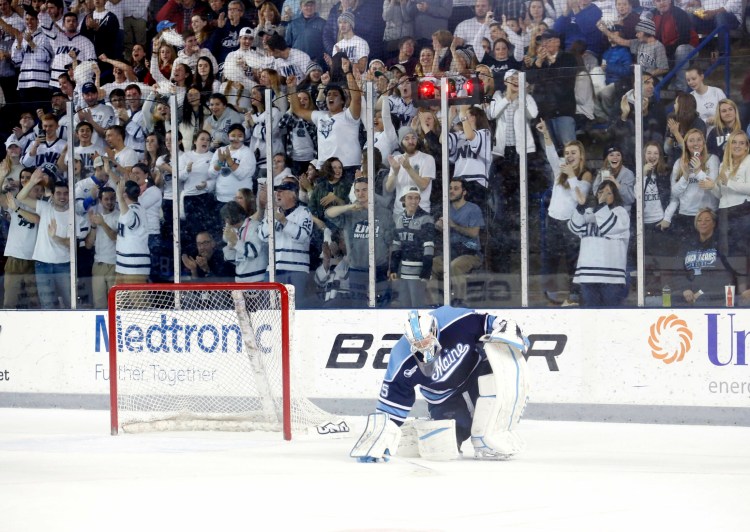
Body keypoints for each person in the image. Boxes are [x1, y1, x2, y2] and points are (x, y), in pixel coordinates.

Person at [350, 307, 529, 461]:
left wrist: (508, 328)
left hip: (475, 374)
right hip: (443, 397)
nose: (423, 346)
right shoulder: (401, 358)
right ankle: (424, 428)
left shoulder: (456, 321)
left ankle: (488, 440)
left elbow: (489, 322)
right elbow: (392, 402)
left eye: (426, 340)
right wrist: (379, 437)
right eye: (417, 343)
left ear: (435, 330)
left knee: (493, 398)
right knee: (451, 438)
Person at [538, 118, 593, 306]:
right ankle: (550, 293)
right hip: (553, 219)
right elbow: (551, 153)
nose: (569, 155)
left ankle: (575, 295)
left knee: (573, 260)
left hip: (571, 223)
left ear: (580, 155)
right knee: (551, 257)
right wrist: (546, 132)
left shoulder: (585, 173)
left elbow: (581, 199)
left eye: (573, 153)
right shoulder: (560, 169)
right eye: (567, 152)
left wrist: (571, 176)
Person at [325, 176, 394, 307]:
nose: (360, 193)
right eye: (357, 191)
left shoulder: (384, 213)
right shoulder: (350, 212)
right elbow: (328, 213)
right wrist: (348, 207)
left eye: (364, 190)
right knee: (358, 305)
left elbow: (390, 243)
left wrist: (390, 267)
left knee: (382, 304)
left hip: (379, 266)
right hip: (357, 267)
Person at [15, 167, 72, 309]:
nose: (62, 196)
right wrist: (33, 181)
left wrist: (56, 237)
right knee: (47, 306)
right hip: (42, 265)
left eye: (66, 193)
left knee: (71, 305)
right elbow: (20, 197)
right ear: (52, 195)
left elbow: (72, 244)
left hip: (64, 265)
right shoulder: (45, 207)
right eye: (58, 193)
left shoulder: (74, 216)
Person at [569, 180, 630, 307]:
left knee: (612, 316)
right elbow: (574, 228)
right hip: (587, 275)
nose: (603, 196)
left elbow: (611, 228)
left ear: (615, 195)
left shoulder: (621, 212)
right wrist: (581, 206)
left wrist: (601, 206)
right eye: (600, 192)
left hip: (612, 276)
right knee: (590, 317)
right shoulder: (589, 211)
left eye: (608, 193)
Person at [431, 178, 485, 307]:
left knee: (454, 266)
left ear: (464, 192)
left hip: (471, 253)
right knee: (432, 264)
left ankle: (460, 301)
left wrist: (454, 225)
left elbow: (474, 233)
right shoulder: (446, 208)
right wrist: (438, 226)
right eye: (450, 188)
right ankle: (435, 302)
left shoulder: (473, 209)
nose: (452, 191)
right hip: (450, 252)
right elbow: (440, 227)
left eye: (456, 189)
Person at [662, 128, 720, 243]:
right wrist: (686, 175)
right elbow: (674, 193)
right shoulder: (679, 163)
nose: (695, 143)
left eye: (699, 140)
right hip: (686, 215)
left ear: (704, 143)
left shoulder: (712, 159)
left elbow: (712, 186)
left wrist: (698, 171)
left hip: (708, 215)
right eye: (691, 140)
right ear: (686, 144)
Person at [258, 180, 312, 300]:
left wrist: (283, 221)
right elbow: (262, 235)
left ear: (293, 194)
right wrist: (272, 216)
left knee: (297, 309)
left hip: (297, 269)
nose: (277, 194)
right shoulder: (273, 212)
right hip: (274, 269)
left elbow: (303, 236)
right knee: (270, 311)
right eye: (277, 191)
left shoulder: (304, 212)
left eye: (281, 191)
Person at [674, 208, 736, 306]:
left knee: (701, 302)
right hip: (687, 294)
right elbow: (678, 272)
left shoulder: (721, 245)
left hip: (712, 295)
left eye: (707, 220)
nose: (703, 223)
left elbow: (725, 276)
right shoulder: (687, 246)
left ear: (714, 224)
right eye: (699, 220)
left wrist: (701, 292)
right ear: (696, 224)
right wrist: (685, 289)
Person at [1, 167, 41, 309]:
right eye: (23, 178)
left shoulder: (43, 204)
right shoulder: (16, 201)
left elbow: (36, 219)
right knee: (9, 302)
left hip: (34, 259)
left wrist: (17, 209)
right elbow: (1, 199)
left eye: (29, 178)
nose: (25, 181)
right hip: (14, 258)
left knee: (35, 302)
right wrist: (1, 176)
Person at [389, 186, 435, 308]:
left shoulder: (426, 218)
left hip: (418, 271)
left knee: (417, 305)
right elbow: (396, 245)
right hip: (403, 271)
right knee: (404, 305)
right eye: (410, 198)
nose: (414, 201)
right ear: (403, 200)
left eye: (416, 198)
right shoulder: (398, 218)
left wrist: (426, 271)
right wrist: (393, 268)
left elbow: (429, 247)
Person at [84, 185, 118, 309]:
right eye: (106, 199)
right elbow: (88, 245)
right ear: (100, 200)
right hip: (98, 264)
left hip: (115, 264)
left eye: (112, 199)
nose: (109, 202)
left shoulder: (119, 216)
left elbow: (115, 237)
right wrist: (93, 226)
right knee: (99, 303)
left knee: (116, 304)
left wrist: (102, 223)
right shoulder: (95, 217)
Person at [113, 178, 150, 285]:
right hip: (124, 266)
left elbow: (131, 221)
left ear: (124, 194)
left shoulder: (136, 209)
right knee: (119, 301)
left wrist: (120, 198)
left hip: (135, 267)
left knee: (140, 302)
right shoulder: (129, 208)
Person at [221, 197, 267, 283]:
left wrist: (235, 241)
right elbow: (232, 259)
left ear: (231, 216)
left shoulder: (255, 226)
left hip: (258, 280)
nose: (225, 221)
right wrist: (229, 244)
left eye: (226, 218)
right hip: (240, 281)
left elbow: (253, 252)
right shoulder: (234, 230)